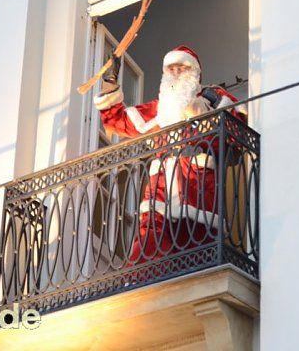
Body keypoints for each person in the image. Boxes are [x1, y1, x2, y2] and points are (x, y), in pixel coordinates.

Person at [94, 46, 247, 266]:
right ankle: (138, 283)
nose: (175, 72)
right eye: (171, 68)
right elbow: (117, 120)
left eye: (181, 67)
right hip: (161, 184)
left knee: (197, 242)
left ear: (194, 72)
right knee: (149, 241)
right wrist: (110, 80)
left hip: (197, 182)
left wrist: (211, 109)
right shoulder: (159, 109)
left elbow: (239, 126)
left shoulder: (211, 98)